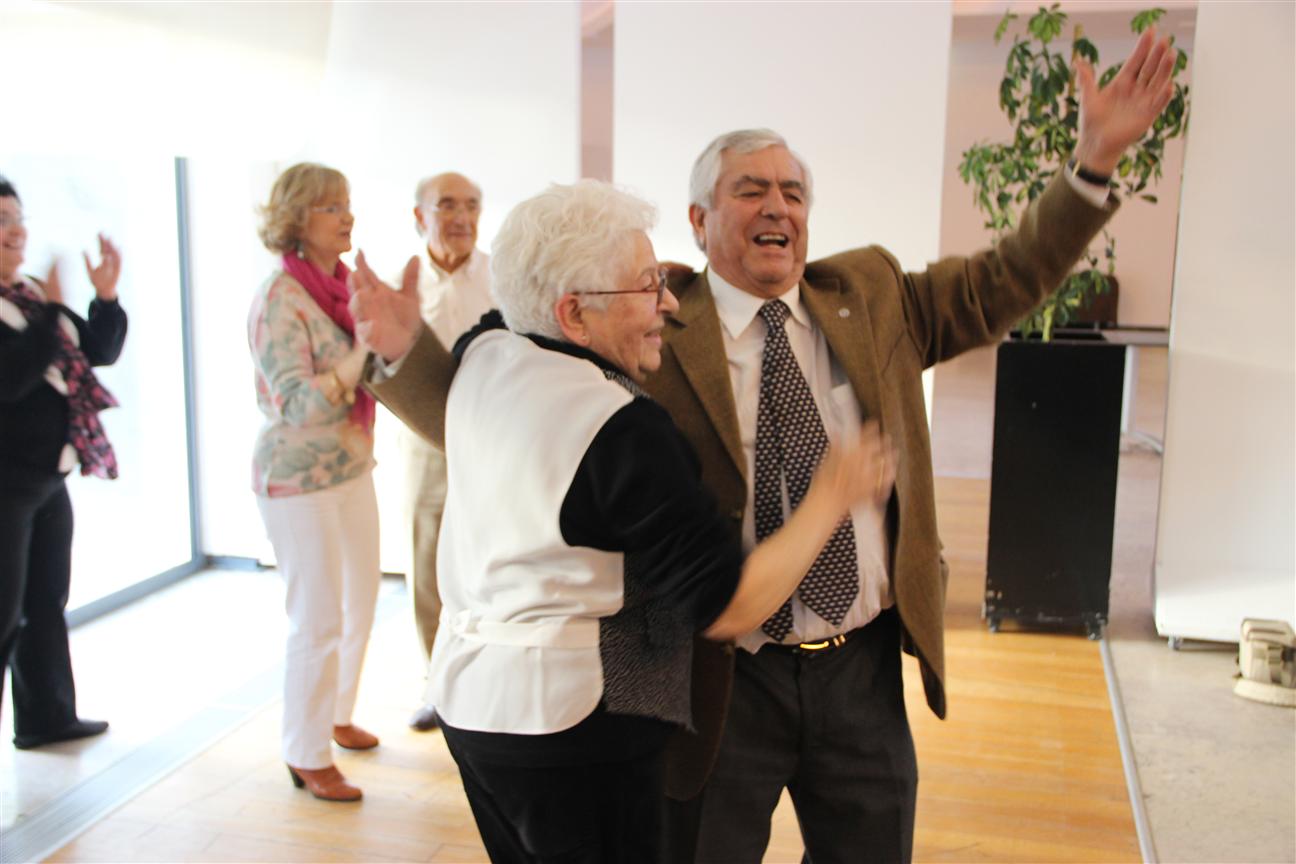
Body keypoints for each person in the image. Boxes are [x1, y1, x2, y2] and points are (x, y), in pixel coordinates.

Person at [350, 26, 1176, 862]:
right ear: (700, 219)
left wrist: (1093, 164)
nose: (778, 206)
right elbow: (496, 417)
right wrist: (401, 351)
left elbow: (1007, 278)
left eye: (793, 191)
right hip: (719, 678)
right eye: (751, 190)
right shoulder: (647, 321)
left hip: (862, 668)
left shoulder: (873, 294)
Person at [351, 179, 894, 862]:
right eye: (646, 285)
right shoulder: (625, 431)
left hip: (472, 708)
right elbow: (729, 605)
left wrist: (405, 343)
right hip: (573, 729)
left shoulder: (488, 348)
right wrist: (831, 496)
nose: (668, 301)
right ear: (574, 314)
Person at [248, 163, 381, 802]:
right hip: (298, 481)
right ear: (298, 220)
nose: (346, 216)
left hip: (351, 466)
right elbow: (295, 405)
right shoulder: (280, 298)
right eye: (331, 207)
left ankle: (336, 713)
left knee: (362, 602)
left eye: (346, 203)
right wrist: (358, 360)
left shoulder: (343, 285)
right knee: (318, 618)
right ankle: (305, 753)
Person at [0, 176, 125, 750]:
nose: (16, 232)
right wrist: (51, 312)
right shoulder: (36, 305)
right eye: (2, 221)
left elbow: (98, 351)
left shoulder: (27, 295)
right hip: (7, 485)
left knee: (45, 602)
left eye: (18, 218)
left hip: (48, 477)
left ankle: (47, 717)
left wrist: (106, 297)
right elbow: (11, 379)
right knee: (3, 618)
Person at [398, 172, 494, 733]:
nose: (461, 217)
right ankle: (436, 685)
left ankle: (485, 677)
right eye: (447, 205)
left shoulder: (503, 277)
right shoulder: (403, 288)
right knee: (428, 561)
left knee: (491, 559)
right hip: (425, 442)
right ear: (420, 217)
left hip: (494, 438)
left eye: (472, 205)